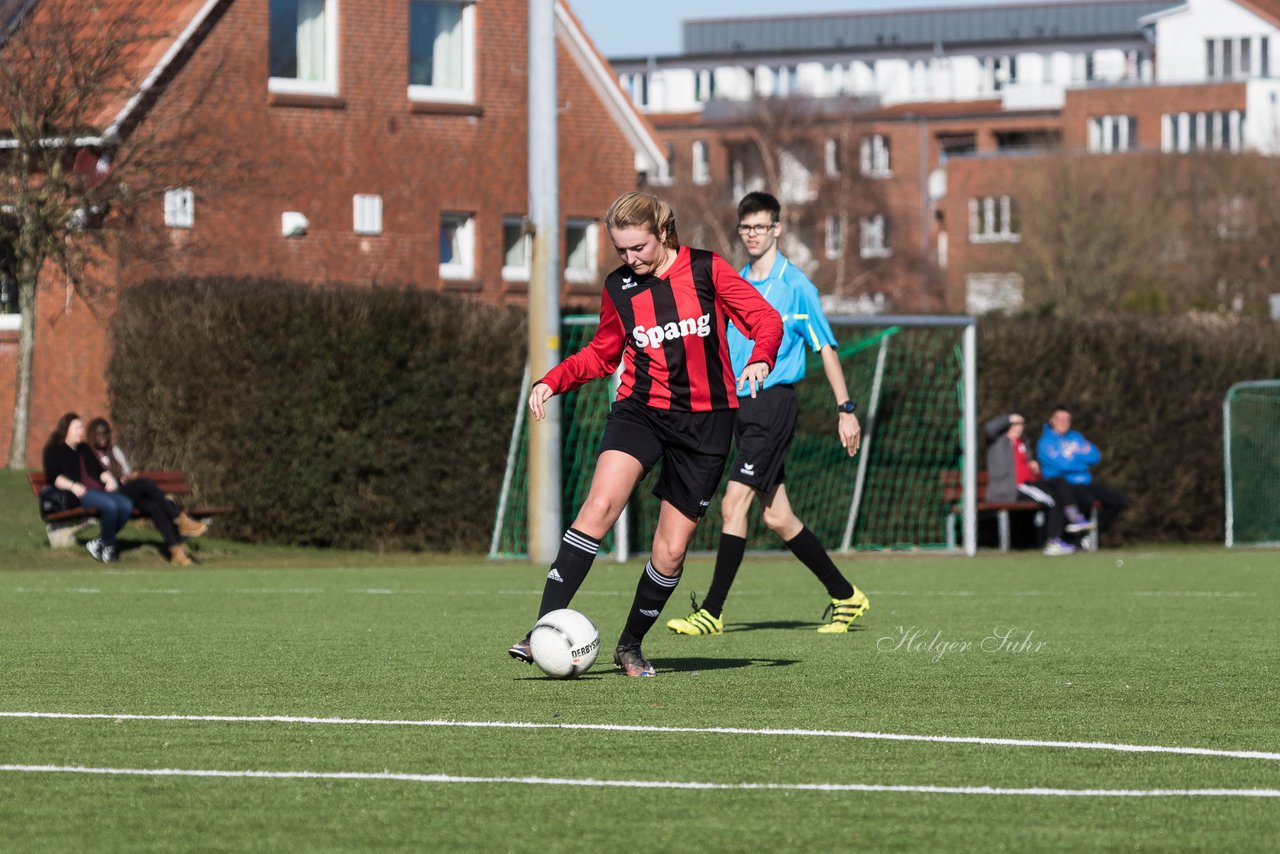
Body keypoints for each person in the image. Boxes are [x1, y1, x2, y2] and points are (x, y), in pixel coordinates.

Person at [507, 191, 783, 677]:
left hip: (707, 422)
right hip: (641, 411)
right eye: (621, 251)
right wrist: (554, 379)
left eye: (639, 248)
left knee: (671, 549)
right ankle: (542, 630)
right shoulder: (619, 288)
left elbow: (764, 318)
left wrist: (761, 357)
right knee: (598, 506)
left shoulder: (707, 269)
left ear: (663, 234)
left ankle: (629, 645)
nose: (630, 259)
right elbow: (603, 353)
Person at [665, 191, 869, 637]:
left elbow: (826, 348)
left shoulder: (796, 286)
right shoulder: (735, 281)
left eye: (761, 226)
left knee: (732, 503)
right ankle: (846, 595)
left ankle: (712, 613)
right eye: (746, 227)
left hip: (772, 404)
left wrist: (845, 409)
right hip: (737, 406)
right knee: (777, 517)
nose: (753, 234)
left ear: (777, 229)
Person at [86, 417, 207, 565]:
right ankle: (179, 518)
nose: (103, 437)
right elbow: (93, 478)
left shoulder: (114, 451)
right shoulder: (89, 454)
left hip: (126, 491)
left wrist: (129, 475)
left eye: (105, 433)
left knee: (154, 506)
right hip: (110, 496)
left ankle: (176, 551)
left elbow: (126, 472)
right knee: (147, 484)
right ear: (92, 435)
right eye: (98, 434)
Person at [984, 412, 1095, 556]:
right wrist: (1008, 418)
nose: (1018, 428)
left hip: (1027, 485)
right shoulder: (998, 442)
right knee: (1052, 500)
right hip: (1012, 489)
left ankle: (1073, 517)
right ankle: (1053, 542)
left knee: (1059, 483)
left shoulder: (1022, 443)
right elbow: (989, 429)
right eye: (1014, 425)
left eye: (1020, 425)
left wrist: (1031, 462)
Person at [42, 412, 133, 563]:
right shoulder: (53, 450)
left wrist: (109, 478)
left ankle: (99, 542)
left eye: (81, 428)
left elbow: (98, 471)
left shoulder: (83, 448)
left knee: (126, 504)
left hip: (92, 492)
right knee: (110, 506)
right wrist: (72, 486)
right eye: (77, 428)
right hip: (73, 496)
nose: (81, 431)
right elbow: (53, 477)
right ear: (67, 430)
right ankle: (108, 545)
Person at [1036, 406, 1129, 535]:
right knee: (1086, 500)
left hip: (1085, 483)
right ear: (1052, 420)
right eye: (1060, 419)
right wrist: (1082, 461)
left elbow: (1095, 456)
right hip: (1065, 485)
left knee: (1118, 501)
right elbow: (1063, 465)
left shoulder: (1076, 436)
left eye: (1067, 419)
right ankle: (1075, 538)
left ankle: (1094, 531)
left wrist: (1074, 457)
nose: (1064, 423)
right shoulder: (1045, 442)